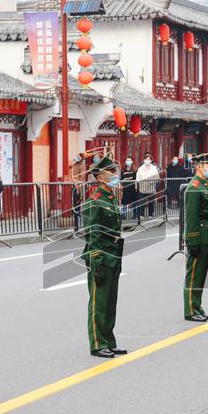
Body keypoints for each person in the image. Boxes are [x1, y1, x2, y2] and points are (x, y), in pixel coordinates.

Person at [81, 154, 127, 359]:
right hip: (101, 258)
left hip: (114, 256)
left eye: (115, 171)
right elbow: (93, 235)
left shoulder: (111, 198)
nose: (116, 175)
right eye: (112, 172)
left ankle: (109, 340)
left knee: (110, 303)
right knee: (98, 303)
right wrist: (97, 260)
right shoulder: (95, 201)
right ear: (100, 177)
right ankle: (98, 344)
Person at [183, 153, 208, 322]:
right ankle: (190, 309)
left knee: (201, 274)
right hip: (198, 236)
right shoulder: (194, 187)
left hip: (205, 234)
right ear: (199, 167)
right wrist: (193, 240)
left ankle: (197, 306)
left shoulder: (203, 185)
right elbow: (192, 217)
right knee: (194, 273)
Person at [135, 154, 161, 218]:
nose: (147, 161)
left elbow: (157, 177)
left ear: (151, 160)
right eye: (146, 159)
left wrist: (153, 183)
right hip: (142, 187)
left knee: (151, 202)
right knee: (141, 202)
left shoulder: (154, 168)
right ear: (144, 160)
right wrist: (137, 185)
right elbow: (137, 178)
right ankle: (141, 214)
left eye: (148, 159)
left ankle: (150, 214)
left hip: (151, 187)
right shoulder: (140, 168)